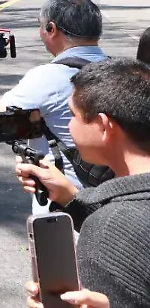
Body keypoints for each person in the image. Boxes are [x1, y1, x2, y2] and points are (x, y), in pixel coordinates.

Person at [15, 58, 150, 308]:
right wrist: (70, 197)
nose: (68, 125)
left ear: (103, 125)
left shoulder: (105, 232)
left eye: (72, 115)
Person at [0, 0, 107, 205]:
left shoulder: (49, 77)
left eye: (40, 25)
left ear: (51, 29)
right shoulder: (124, 71)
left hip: (68, 206)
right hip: (120, 199)